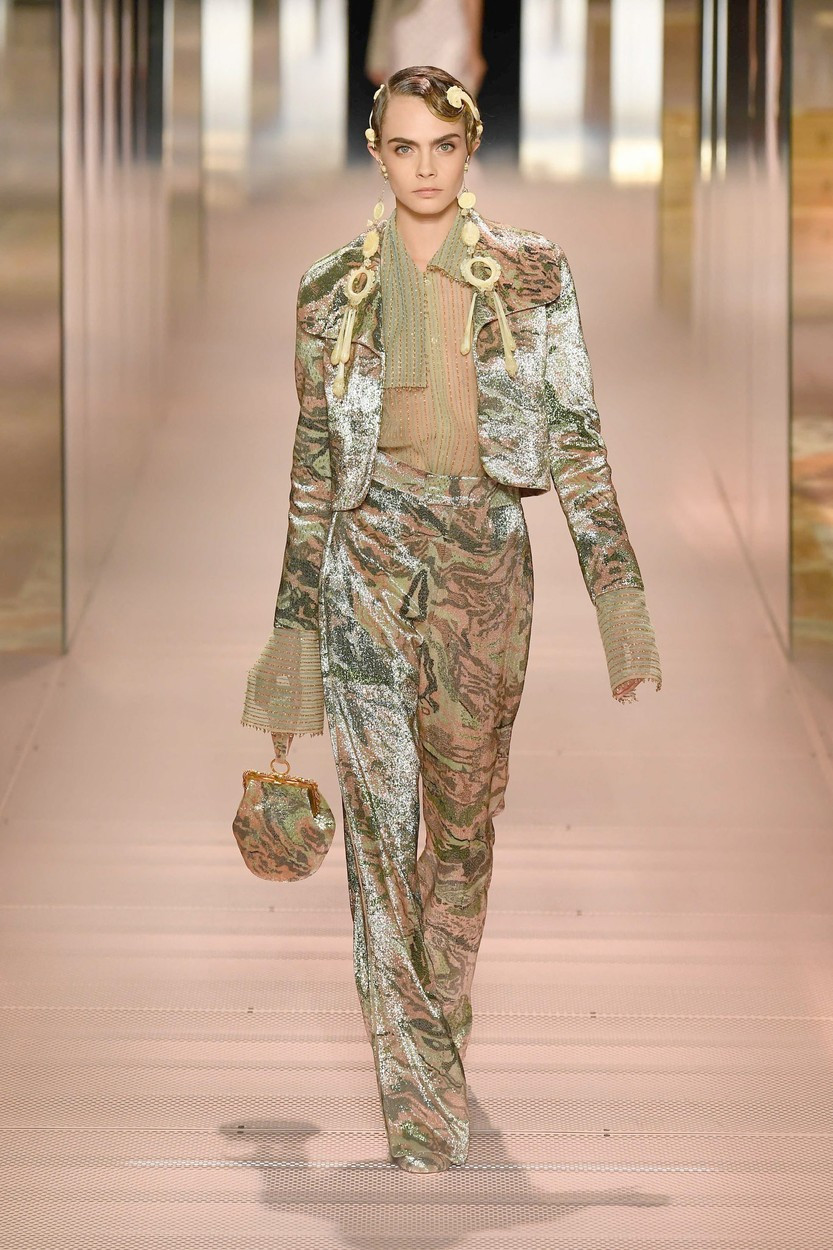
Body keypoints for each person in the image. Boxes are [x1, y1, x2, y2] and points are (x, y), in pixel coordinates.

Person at [241, 65, 662, 1173]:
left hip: (484, 565)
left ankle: (437, 1035)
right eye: (403, 146)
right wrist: (291, 639)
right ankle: (423, 1103)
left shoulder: (532, 274)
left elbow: (574, 434)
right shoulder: (328, 289)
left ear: (467, 150)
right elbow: (311, 464)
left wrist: (619, 606)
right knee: (379, 840)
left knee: (463, 832)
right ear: (375, 152)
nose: (423, 167)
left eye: (441, 145)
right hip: (367, 561)